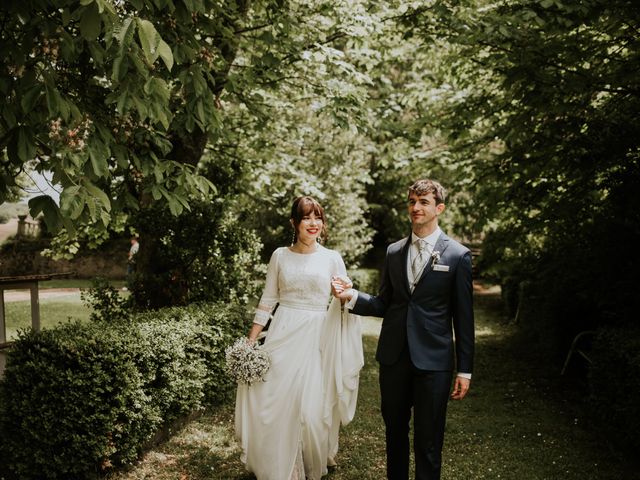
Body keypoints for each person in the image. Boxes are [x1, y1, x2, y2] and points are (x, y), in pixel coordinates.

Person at [332, 179, 474, 480]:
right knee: (394, 434)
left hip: (434, 361)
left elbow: (464, 318)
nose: (415, 207)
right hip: (394, 358)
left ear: (439, 208)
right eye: (411, 201)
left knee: (429, 439)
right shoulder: (394, 251)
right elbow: (385, 303)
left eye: (423, 202)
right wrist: (352, 296)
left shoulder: (457, 255)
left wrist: (465, 370)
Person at [235, 196, 364, 480]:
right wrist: (250, 341)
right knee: (277, 400)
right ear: (295, 223)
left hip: (318, 337)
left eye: (318, 217)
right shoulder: (280, 255)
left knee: (313, 408)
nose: (313, 223)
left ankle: (311, 458)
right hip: (283, 333)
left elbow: (343, 300)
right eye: (306, 217)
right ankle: (280, 464)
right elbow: (268, 299)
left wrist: (343, 292)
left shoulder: (332, 258)